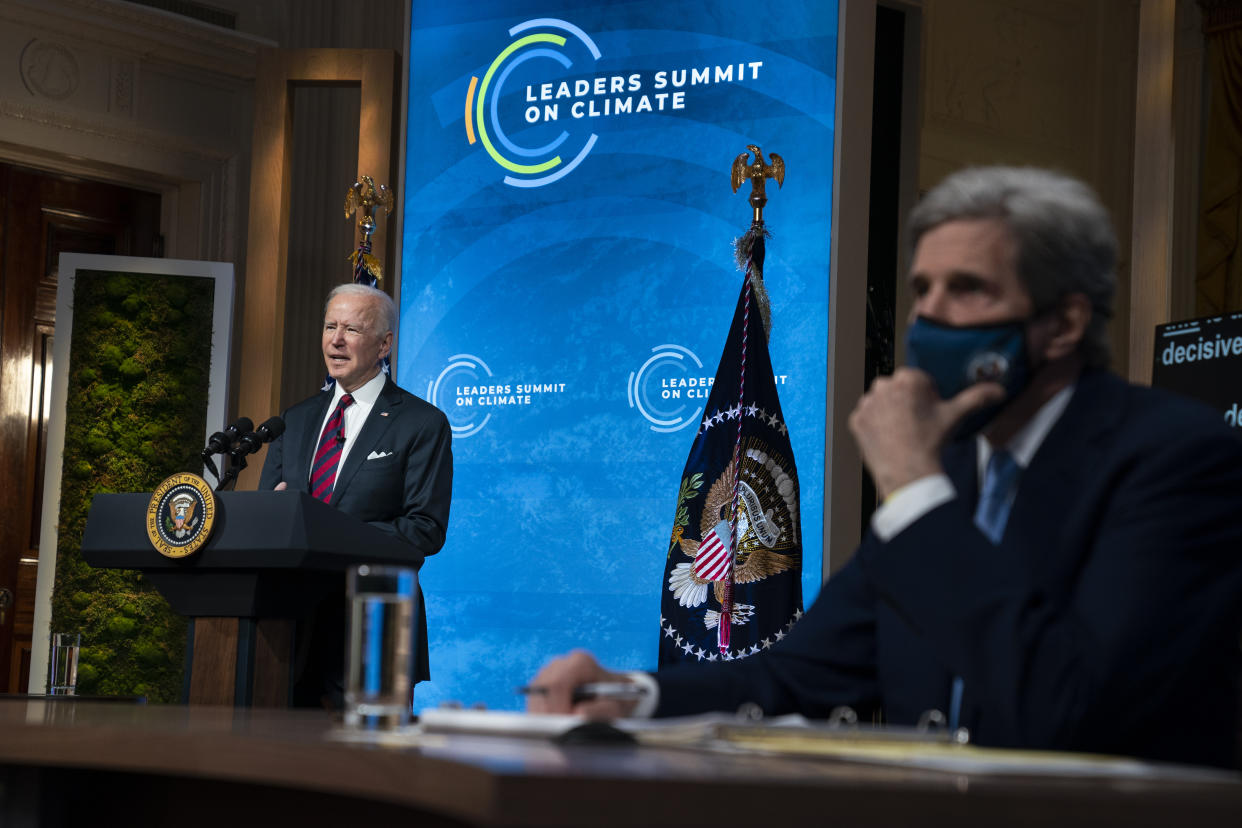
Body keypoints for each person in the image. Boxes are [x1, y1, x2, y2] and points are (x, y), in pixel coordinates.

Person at [527, 167, 1242, 767]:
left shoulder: (1178, 461)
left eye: (968, 290)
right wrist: (626, 697)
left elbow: (1069, 714)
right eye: (922, 289)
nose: (927, 318)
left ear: (1064, 323)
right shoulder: (950, 473)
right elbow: (797, 674)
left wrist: (914, 491)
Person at [260, 283, 452, 706]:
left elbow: (425, 529)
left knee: (363, 766)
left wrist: (326, 533)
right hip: (288, 630)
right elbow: (267, 516)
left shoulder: (421, 422)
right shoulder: (294, 420)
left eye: (351, 328)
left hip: (373, 628)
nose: (336, 339)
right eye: (330, 326)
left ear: (384, 344)